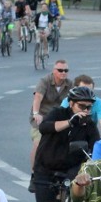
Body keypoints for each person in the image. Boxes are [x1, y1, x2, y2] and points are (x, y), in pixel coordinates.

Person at [29, 86, 100, 202]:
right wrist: (69, 122)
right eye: (81, 106)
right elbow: (44, 127)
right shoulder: (59, 113)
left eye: (89, 107)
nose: (85, 110)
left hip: (70, 172)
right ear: (71, 104)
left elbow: (97, 147)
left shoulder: (88, 124)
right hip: (46, 169)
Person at [29, 59, 72, 189]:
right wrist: (36, 113)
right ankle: (34, 174)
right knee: (39, 143)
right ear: (54, 71)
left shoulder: (70, 84)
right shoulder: (45, 81)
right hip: (42, 119)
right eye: (60, 70)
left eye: (66, 70)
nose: (63, 73)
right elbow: (37, 98)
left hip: (59, 120)